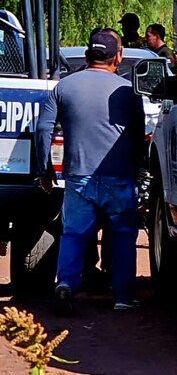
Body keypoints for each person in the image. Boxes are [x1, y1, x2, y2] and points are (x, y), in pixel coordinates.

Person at [35, 30, 145, 313]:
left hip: (78, 176)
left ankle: (66, 284)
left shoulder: (63, 87)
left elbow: (43, 129)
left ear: (87, 55)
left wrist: (45, 171)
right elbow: (137, 135)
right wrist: (137, 171)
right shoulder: (129, 91)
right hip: (119, 176)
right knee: (122, 236)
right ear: (117, 57)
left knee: (73, 233)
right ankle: (123, 296)